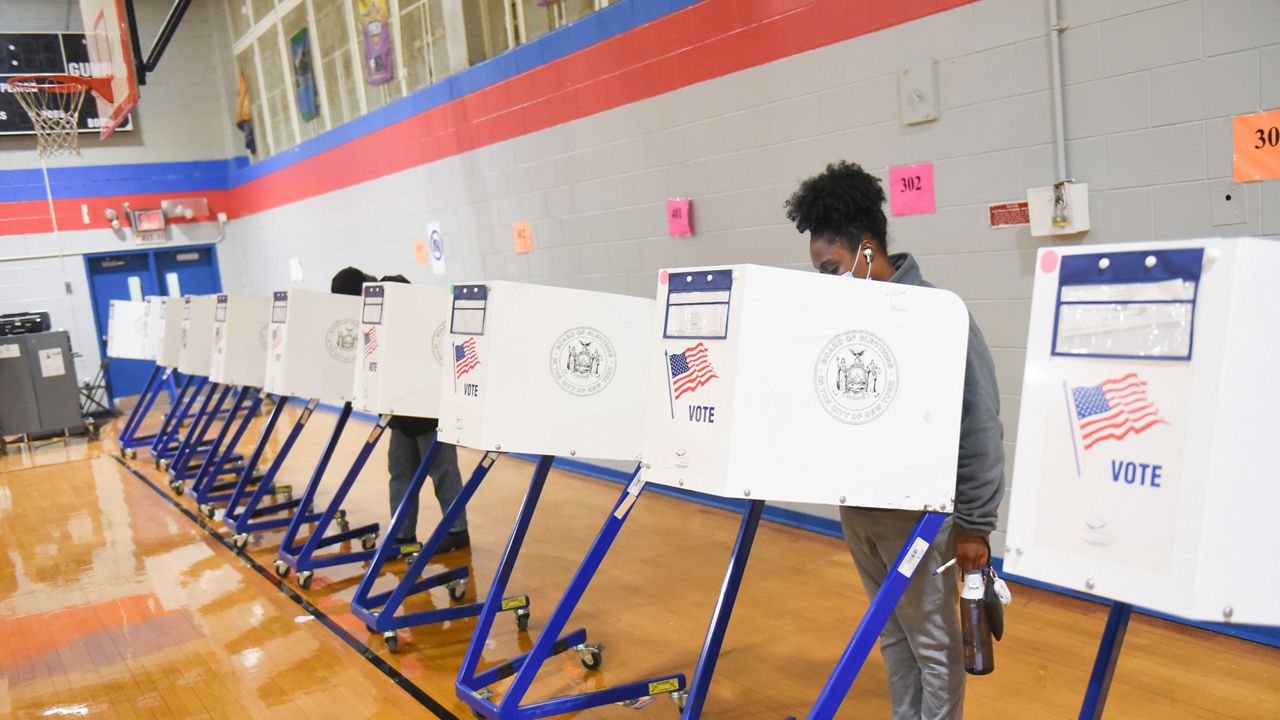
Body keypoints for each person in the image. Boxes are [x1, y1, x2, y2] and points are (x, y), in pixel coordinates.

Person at [784, 162, 1005, 720]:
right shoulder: (844, 321)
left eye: (832, 267)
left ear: (865, 250)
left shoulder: (938, 315)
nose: (825, 281)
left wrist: (975, 525)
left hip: (919, 521)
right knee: (890, 638)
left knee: (933, 648)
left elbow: (978, 424)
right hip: (860, 513)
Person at [330, 267, 470, 555]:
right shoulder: (371, 309)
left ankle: (457, 531)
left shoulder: (393, 287)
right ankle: (402, 534)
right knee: (400, 474)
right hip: (399, 409)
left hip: (427, 405)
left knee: (443, 472)